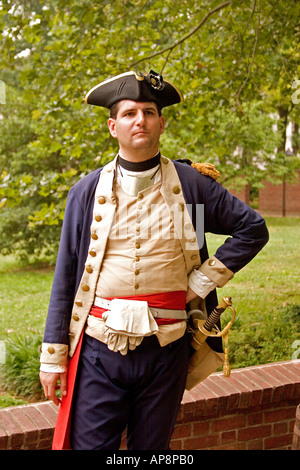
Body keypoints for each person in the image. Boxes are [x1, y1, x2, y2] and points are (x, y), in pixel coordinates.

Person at [39, 70, 269, 450]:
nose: (140, 120)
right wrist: (53, 358)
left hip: (168, 347)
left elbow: (252, 229)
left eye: (148, 111)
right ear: (113, 126)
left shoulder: (192, 186)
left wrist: (201, 282)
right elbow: (66, 275)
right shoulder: (85, 191)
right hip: (98, 349)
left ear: (161, 123)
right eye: (129, 113)